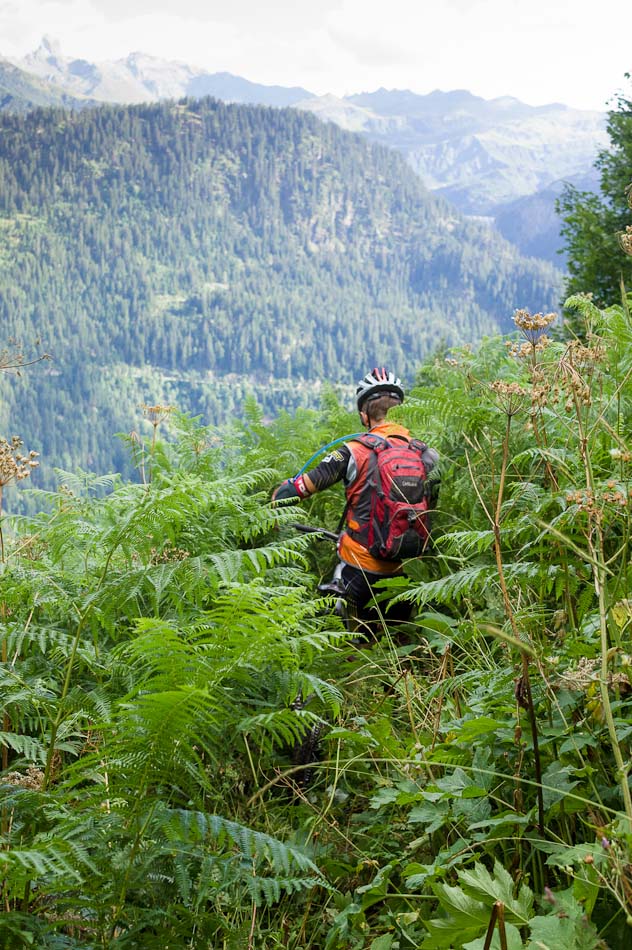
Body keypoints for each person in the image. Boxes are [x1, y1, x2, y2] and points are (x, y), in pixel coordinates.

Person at [272, 368, 439, 635]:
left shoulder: (353, 451)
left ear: (364, 416)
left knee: (350, 651)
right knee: (396, 649)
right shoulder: (428, 456)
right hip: (407, 573)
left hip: (358, 570)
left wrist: (280, 493)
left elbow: (295, 492)